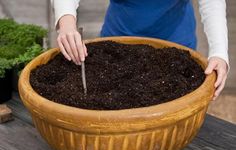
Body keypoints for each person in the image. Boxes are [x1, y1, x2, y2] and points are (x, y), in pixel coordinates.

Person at [52, 0, 229, 100]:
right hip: (118, 43)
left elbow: (211, 3)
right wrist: (66, 22)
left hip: (175, 44)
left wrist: (219, 52)